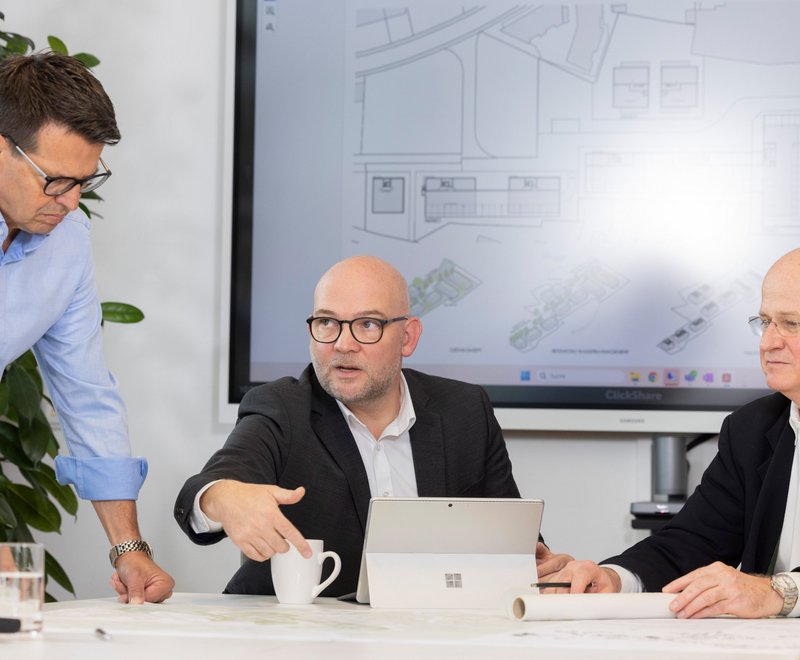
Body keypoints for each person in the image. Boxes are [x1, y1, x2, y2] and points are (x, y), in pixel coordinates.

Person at [175, 255, 569, 595]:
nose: (343, 344)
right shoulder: (281, 407)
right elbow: (211, 486)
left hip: (433, 635)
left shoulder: (465, 410)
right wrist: (221, 497)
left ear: (408, 337)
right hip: (302, 640)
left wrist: (538, 567)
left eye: (367, 325)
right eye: (327, 323)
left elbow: (516, 542)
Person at [542, 248, 800, 619]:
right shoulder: (754, 427)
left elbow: (771, 591)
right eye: (764, 322)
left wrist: (778, 591)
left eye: (791, 324)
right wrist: (614, 578)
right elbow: (692, 541)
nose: (767, 343)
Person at [0, 52, 173, 603]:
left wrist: (128, 548)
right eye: (55, 180)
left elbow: (86, 392)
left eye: (84, 182)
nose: (72, 203)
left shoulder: (66, 245)